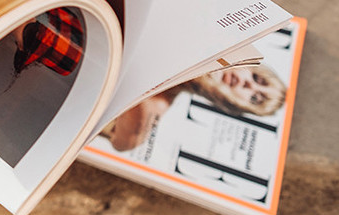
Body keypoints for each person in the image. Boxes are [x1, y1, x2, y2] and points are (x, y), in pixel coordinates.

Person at [100, 64, 287, 152]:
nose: (248, 85)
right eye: (257, 78)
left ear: (234, 106)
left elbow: (125, 142)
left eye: (255, 98)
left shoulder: (161, 99)